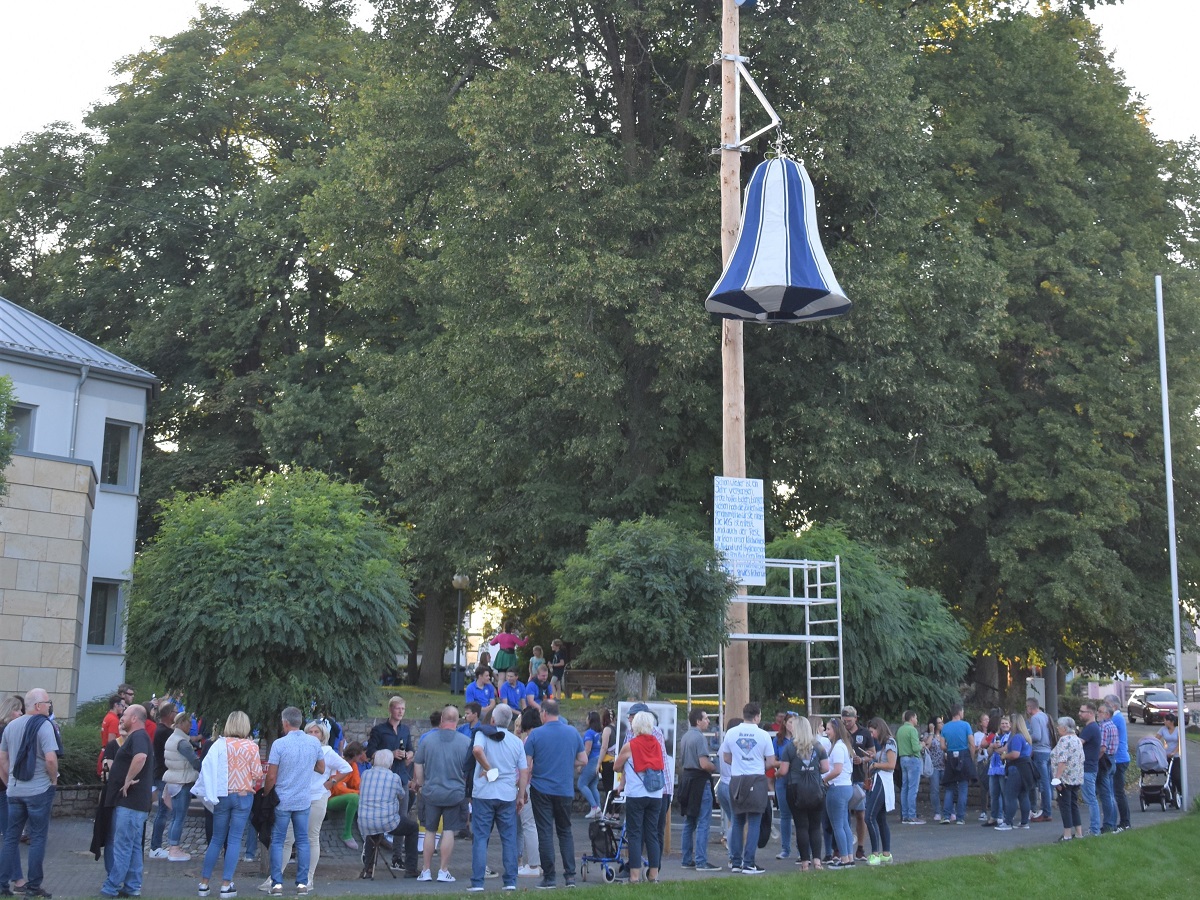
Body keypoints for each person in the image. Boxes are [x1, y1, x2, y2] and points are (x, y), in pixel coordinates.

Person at [194, 710, 263, 900]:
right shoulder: (251, 746)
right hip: (243, 795)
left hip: (222, 795)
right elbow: (257, 774)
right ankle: (226, 884)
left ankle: (204, 883)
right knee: (234, 840)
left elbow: (207, 768)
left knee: (216, 839)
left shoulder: (219, 744)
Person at [0, 688, 58, 899]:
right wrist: (53, 780)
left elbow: (2, 759)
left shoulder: (11, 726)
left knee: (11, 838)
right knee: (38, 837)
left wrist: (10, 783)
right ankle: (33, 886)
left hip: (15, 790)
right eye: (47, 702)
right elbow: (51, 759)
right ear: (37, 706)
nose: (49, 705)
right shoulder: (44, 726)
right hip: (38, 790)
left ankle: (3, 884)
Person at [523, 698, 586, 889]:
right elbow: (583, 759)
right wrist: (568, 763)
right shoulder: (573, 732)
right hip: (565, 789)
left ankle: (550, 877)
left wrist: (522, 792)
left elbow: (527, 766)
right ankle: (570, 877)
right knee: (565, 831)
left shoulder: (535, 735)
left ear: (543, 713)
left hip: (541, 789)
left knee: (545, 832)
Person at [263, 706, 325, 896]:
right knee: (303, 841)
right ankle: (302, 884)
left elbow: (271, 776)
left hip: (282, 799)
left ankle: (276, 884)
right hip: (303, 799)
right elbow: (322, 768)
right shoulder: (314, 743)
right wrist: (305, 767)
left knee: (279, 841)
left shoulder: (279, 744)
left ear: (285, 722)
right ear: (301, 722)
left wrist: (265, 794)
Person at [469, 704, 527, 891]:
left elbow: (477, 751)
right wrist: (520, 795)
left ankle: (478, 882)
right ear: (510, 722)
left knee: (480, 838)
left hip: (484, 793)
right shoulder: (516, 742)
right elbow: (523, 771)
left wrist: (488, 768)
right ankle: (510, 882)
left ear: (492, 720)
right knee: (508, 839)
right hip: (507, 794)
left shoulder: (482, 734)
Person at [412, 705, 473, 883]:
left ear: (441, 720)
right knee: (448, 831)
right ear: (457, 721)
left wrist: (422, 784)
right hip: (455, 793)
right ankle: (443, 870)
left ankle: (425, 870)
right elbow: (469, 770)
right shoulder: (465, 742)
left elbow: (418, 764)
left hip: (431, 792)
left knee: (430, 831)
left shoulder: (427, 740)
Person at [98, 704, 151, 899]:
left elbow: (140, 757)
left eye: (125, 715)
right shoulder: (139, 737)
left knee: (122, 847)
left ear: (135, 718)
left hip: (130, 804)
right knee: (134, 846)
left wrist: (127, 780)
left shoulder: (138, 737)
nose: (122, 717)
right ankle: (132, 886)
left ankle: (111, 887)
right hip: (135, 804)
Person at [719, 702, 776, 875]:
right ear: (757, 716)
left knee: (737, 821)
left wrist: (740, 762)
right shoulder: (763, 735)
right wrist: (758, 763)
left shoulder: (731, 732)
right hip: (756, 779)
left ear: (744, 715)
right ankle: (749, 862)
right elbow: (771, 762)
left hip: (736, 779)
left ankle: (735, 862)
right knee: (754, 822)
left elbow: (726, 757)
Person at [613, 711, 664, 884]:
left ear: (635, 725)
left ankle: (634, 876)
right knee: (652, 834)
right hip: (656, 794)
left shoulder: (630, 745)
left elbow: (616, 766)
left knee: (635, 834)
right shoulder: (656, 743)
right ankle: (653, 876)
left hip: (636, 794)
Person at [356, 750, 419, 879]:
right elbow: (402, 795)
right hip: (387, 822)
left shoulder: (365, 775)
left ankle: (368, 869)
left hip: (364, 820)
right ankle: (411, 869)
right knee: (413, 828)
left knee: (372, 828)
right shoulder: (394, 777)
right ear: (391, 764)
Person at [778, 714, 829, 871]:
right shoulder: (818, 746)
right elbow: (826, 768)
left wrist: (777, 773)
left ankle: (805, 863)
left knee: (801, 826)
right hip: (816, 789)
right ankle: (818, 861)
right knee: (815, 826)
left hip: (796, 789)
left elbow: (784, 770)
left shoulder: (790, 748)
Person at [677, 708, 719, 872]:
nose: (708, 721)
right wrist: (713, 766)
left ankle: (686, 859)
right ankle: (701, 861)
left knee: (689, 821)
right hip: (700, 782)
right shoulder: (700, 738)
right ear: (698, 721)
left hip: (686, 779)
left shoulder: (686, 737)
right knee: (703, 822)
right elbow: (703, 763)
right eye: (706, 718)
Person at [162, 707, 202, 862]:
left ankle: (172, 845)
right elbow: (195, 761)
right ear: (182, 723)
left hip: (172, 779)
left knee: (175, 816)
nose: (190, 727)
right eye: (189, 724)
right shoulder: (182, 743)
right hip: (182, 780)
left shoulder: (173, 738)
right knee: (180, 816)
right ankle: (174, 848)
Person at [821, 718, 856, 869]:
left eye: (828, 729)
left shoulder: (838, 748)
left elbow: (837, 770)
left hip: (837, 788)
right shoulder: (845, 746)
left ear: (835, 730)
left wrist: (824, 779)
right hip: (846, 787)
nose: (826, 732)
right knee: (844, 825)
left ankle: (844, 859)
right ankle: (849, 857)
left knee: (837, 826)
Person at [514, 707, 544, 878]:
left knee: (528, 825)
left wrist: (520, 787)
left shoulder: (529, 740)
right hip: (544, 786)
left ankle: (533, 865)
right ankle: (540, 863)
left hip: (529, 785)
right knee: (540, 826)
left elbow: (527, 767)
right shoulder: (545, 736)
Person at [863, 718, 897, 865]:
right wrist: (873, 757)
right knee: (880, 818)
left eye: (872, 731)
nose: (871, 735)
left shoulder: (890, 743)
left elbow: (891, 764)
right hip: (881, 780)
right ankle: (886, 853)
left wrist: (875, 763)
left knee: (869, 816)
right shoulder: (885, 744)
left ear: (879, 729)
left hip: (882, 781)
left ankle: (875, 853)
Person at [840, 706, 872, 860]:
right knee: (842, 814)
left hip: (858, 777)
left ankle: (860, 847)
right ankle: (842, 848)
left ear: (856, 719)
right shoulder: (840, 732)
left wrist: (863, 759)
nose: (846, 723)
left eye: (849, 721)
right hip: (843, 778)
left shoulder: (864, 733)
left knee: (860, 814)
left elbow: (872, 753)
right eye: (844, 720)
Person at [147, 701, 178, 859]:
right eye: (175, 711)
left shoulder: (163, 730)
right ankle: (155, 846)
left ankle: (156, 845)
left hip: (161, 773)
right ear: (169, 714)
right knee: (163, 810)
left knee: (164, 810)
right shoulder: (164, 732)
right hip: (163, 774)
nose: (176, 714)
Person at [365, 697, 415, 790]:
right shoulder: (379, 730)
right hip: (383, 779)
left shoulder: (405, 730)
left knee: (404, 804)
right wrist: (390, 754)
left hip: (402, 778)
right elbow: (370, 752)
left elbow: (411, 750)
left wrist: (407, 755)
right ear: (390, 709)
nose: (401, 712)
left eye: (403, 709)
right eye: (397, 708)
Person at [996, 712, 1033, 831]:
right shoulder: (1025, 736)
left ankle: (1008, 822)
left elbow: (1015, 754)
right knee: (1023, 795)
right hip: (1026, 768)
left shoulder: (1016, 737)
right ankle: (1024, 822)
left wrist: (1004, 756)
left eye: (1010, 722)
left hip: (1016, 768)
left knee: (1010, 795)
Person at [1050, 716, 1084, 841]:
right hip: (1076, 778)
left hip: (1065, 779)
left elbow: (1062, 761)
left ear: (1064, 728)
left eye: (1058, 726)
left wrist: (1057, 779)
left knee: (1065, 806)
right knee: (1073, 805)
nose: (1057, 728)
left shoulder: (1064, 740)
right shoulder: (1077, 740)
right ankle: (1079, 832)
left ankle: (1067, 834)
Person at [327, 742, 365, 850]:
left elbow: (357, 782)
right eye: (360, 754)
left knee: (359, 797)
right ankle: (347, 834)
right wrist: (356, 792)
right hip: (329, 798)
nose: (361, 757)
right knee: (354, 798)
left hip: (341, 796)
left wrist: (362, 790)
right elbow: (337, 788)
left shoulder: (353, 766)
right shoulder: (337, 763)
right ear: (355, 755)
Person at [940, 704, 974, 825]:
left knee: (950, 788)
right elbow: (972, 743)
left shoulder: (945, 727)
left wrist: (949, 749)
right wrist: (971, 757)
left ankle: (947, 816)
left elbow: (942, 746)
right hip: (964, 756)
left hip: (950, 757)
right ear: (959, 712)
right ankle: (960, 818)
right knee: (963, 787)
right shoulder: (966, 725)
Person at [1104, 693, 1132, 830]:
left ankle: (1125, 822)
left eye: (1106, 704)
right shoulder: (1117, 718)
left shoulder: (1116, 719)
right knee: (1116, 792)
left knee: (1118, 792)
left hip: (1119, 759)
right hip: (1119, 758)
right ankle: (1119, 822)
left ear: (1113, 706)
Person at [0, 696, 25, 847]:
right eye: (17, 710)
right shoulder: (4, 730)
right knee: (9, 833)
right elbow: (2, 759)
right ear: (10, 711)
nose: (20, 713)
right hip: (3, 785)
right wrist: (8, 783)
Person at [1026, 698, 1053, 822]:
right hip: (1048, 751)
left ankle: (1046, 811)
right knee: (1046, 781)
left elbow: (1037, 736)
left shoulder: (1035, 718)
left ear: (1030, 707)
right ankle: (1046, 809)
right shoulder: (1045, 716)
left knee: (1043, 783)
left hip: (1039, 751)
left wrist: (1026, 736)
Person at [1078, 702, 1102, 836]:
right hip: (1090, 766)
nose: (1080, 714)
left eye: (1082, 711)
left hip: (1087, 767)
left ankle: (1094, 829)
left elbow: (1076, 744)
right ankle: (1094, 828)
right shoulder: (1092, 727)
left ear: (1091, 713)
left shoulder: (1091, 728)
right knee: (1091, 799)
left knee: (1091, 799)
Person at [771, 713, 793, 860]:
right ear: (784, 723)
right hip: (782, 780)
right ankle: (785, 848)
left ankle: (803, 850)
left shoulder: (801, 740)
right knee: (785, 815)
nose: (793, 725)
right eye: (790, 722)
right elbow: (773, 761)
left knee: (800, 815)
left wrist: (784, 763)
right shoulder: (778, 740)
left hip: (798, 781)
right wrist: (787, 763)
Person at [896, 710, 923, 825]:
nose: (916, 720)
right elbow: (915, 748)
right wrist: (922, 745)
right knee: (913, 788)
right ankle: (912, 816)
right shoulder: (912, 730)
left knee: (905, 787)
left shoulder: (900, 730)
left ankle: (905, 815)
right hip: (912, 759)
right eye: (916, 718)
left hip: (903, 759)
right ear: (911, 718)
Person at [1096, 703, 1120, 833]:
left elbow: (1102, 748)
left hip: (1105, 760)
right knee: (1110, 794)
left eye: (1100, 711)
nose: (1097, 713)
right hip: (1112, 760)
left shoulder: (1103, 726)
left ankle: (1109, 824)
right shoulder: (1113, 726)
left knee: (1105, 795)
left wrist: (1095, 760)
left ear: (1107, 714)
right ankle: (1113, 823)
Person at [984, 715, 1010, 827]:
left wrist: (995, 749)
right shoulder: (996, 736)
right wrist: (992, 746)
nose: (1004, 725)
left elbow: (1005, 750)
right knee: (994, 793)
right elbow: (989, 752)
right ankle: (994, 816)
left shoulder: (1011, 736)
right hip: (993, 767)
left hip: (1003, 767)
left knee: (1005, 793)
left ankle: (1006, 816)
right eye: (1002, 723)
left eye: (1006, 723)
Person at [578, 712, 603, 819]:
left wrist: (581, 764)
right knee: (593, 785)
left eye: (587, 717)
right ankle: (599, 810)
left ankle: (594, 807)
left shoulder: (589, 733)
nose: (585, 719)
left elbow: (587, 750)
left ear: (590, 719)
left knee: (581, 784)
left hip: (591, 760)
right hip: (599, 760)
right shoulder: (600, 733)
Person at [1156, 712, 1183, 805]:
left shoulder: (1177, 730)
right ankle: (1172, 797)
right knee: (1169, 777)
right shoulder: (1163, 729)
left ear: (1171, 721)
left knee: (1176, 777)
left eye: (1165, 720)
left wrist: (1174, 752)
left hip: (1175, 756)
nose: (1164, 722)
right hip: (1166, 756)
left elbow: (1180, 743)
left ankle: (1181, 793)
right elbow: (1156, 740)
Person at [923, 716, 945, 821]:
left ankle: (949, 811)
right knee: (934, 790)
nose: (942, 724)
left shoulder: (943, 735)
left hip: (944, 765)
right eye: (939, 723)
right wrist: (932, 732)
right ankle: (937, 812)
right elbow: (926, 746)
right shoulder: (928, 735)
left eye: (942, 722)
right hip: (934, 766)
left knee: (949, 788)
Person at [973, 712, 992, 821]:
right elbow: (974, 748)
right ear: (980, 723)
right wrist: (979, 747)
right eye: (985, 720)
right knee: (983, 787)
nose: (987, 721)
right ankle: (983, 810)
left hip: (990, 760)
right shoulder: (977, 735)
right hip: (982, 760)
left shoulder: (992, 733)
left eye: (988, 719)